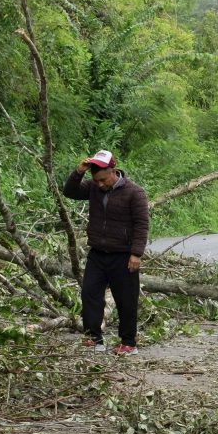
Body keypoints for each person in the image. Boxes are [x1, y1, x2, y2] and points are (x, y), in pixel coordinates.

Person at [62, 150, 149, 356]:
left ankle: (128, 343)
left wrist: (136, 254)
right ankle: (94, 338)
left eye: (103, 179)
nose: (100, 184)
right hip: (98, 253)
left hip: (123, 255)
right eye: (96, 180)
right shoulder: (93, 187)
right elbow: (70, 192)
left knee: (126, 299)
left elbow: (141, 224)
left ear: (113, 171)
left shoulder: (134, 192)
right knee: (90, 293)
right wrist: (78, 172)